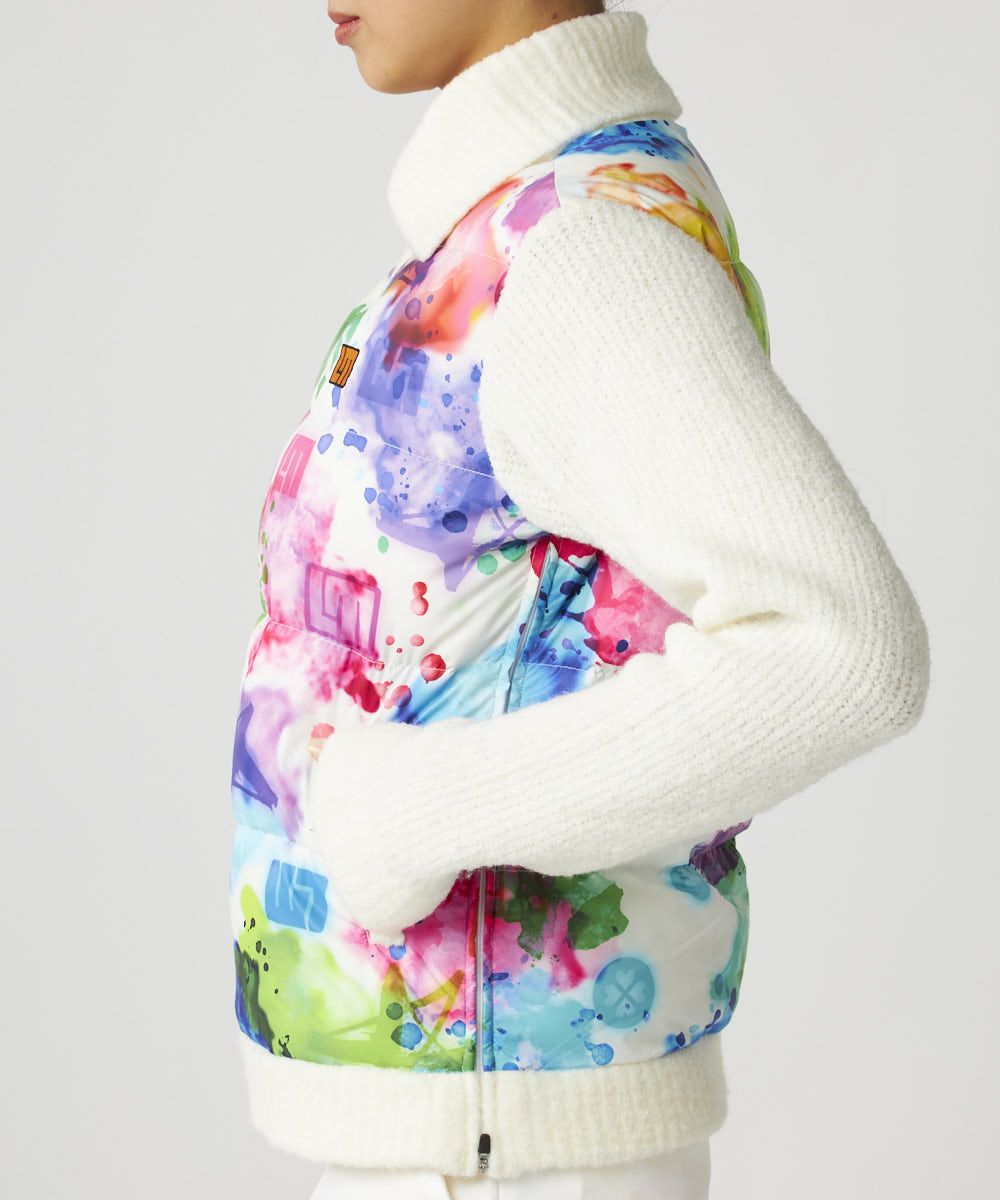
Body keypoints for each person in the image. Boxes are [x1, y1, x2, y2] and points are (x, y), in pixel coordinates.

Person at [228, 3, 932, 1197]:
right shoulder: (511, 236)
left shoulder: (578, 253)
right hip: (472, 1119)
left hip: (503, 1135)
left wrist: (412, 810)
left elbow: (841, 650)